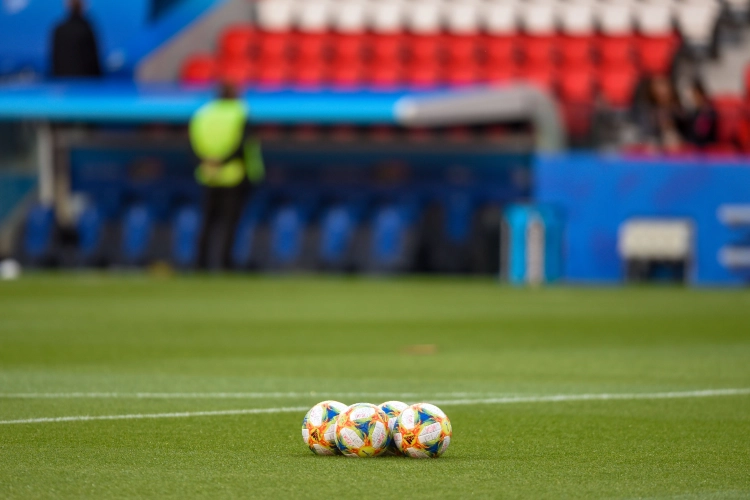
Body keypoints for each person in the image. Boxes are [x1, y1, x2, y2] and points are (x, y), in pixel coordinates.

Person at [190, 82, 265, 270]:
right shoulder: (239, 113)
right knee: (230, 222)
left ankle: (201, 262)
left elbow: (192, 142)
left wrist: (208, 161)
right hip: (234, 175)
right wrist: (223, 161)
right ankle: (225, 262)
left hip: (208, 174)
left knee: (208, 220)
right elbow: (242, 145)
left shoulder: (203, 114)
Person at [51, 0, 102, 78]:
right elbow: (94, 61)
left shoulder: (59, 30)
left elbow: (54, 61)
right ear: (83, 7)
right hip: (86, 82)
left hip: (63, 81)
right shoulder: (86, 29)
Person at [682, 79, 718, 148]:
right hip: (693, 147)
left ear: (699, 94)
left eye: (693, 95)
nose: (691, 98)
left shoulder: (708, 113)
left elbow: (701, 135)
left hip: (704, 150)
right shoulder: (693, 112)